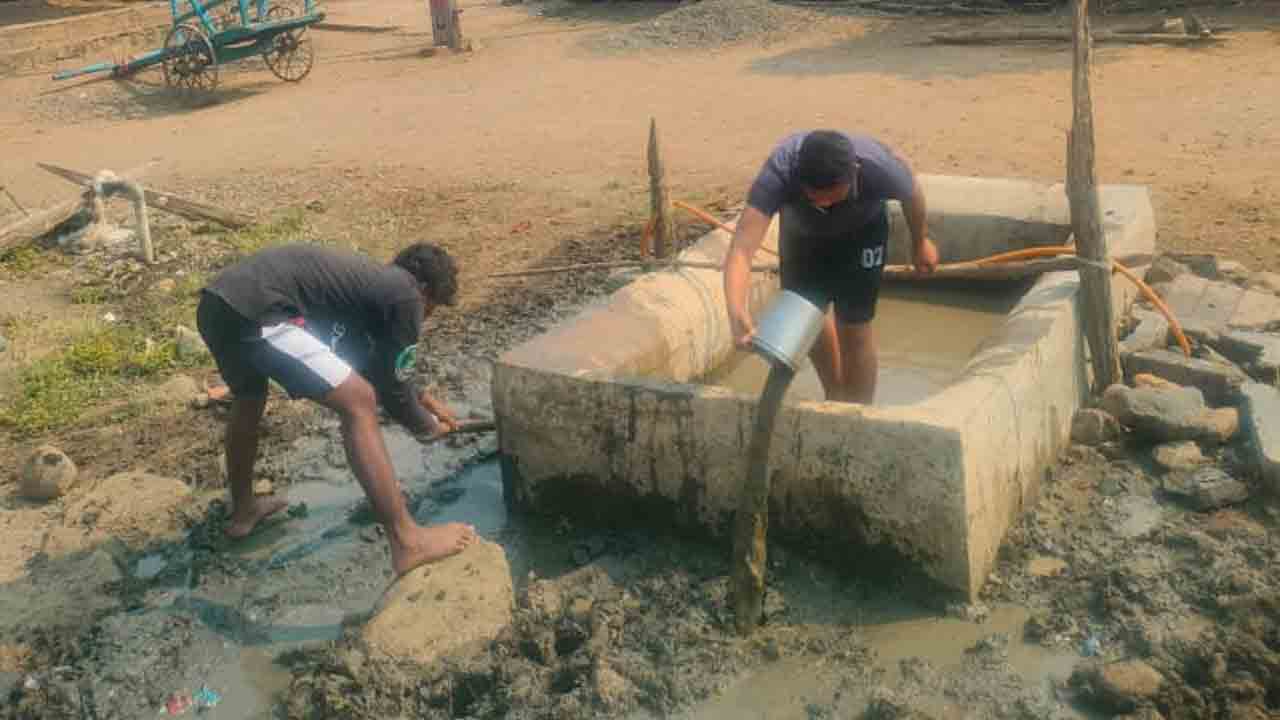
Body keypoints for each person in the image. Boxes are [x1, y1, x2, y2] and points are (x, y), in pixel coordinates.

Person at [196, 241, 477, 577]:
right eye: (432, 308)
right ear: (426, 290)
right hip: (260, 311)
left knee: (249, 398)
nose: (425, 316)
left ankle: (243, 511)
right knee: (359, 401)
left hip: (219, 304)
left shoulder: (362, 286)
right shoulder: (406, 296)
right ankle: (408, 542)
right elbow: (391, 389)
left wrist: (424, 399)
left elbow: (363, 363)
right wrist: (427, 428)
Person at [722, 130, 940, 405]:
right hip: (803, 235)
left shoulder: (878, 166)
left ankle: (858, 411)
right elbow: (742, 249)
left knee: (854, 325)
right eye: (816, 198)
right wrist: (736, 311)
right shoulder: (780, 173)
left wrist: (920, 241)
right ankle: (834, 393)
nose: (825, 204)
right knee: (805, 315)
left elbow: (912, 193)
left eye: (833, 197)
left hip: (863, 232)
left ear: (854, 173)